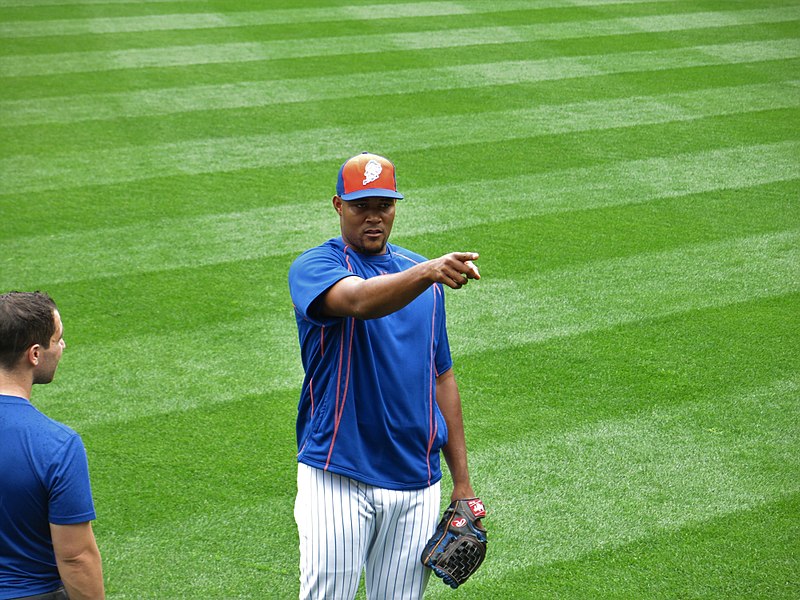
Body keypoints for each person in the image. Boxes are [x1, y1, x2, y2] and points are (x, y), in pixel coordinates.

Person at [288, 152, 483, 599]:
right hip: (338, 473)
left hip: (417, 480)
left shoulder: (426, 282)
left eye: (384, 206)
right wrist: (429, 271)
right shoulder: (315, 268)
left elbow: (441, 378)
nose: (373, 218)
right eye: (361, 207)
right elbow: (358, 301)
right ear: (339, 206)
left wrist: (462, 481)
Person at [0, 292, 104, 600]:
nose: (62, 347)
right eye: (57, 339)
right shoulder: (57, 445)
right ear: (34, 354)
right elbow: (76, 558)